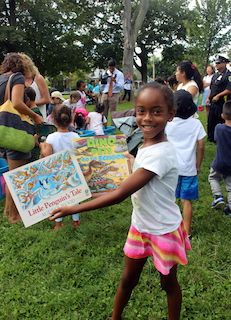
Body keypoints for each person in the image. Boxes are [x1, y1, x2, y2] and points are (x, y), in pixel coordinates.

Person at [49, 82, 191, 320]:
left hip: (164, 229)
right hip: (140, 226)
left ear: (171, 114)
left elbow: (120, 195)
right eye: (141, 111)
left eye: (157, 111)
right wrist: (125, 161)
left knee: (168, 284)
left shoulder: (162, 152)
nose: (147, 118)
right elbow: (137, 172)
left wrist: (73, 208)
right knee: (127, 279)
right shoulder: (147, 144)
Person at [0, 52, 44, 223]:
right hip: (13, 131)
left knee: (10, 174)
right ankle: (14, 216)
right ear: (24, 66)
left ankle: (7, 210)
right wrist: (35, 116)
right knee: (16, 176)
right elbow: (17, 103)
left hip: (2, 131)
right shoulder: (17, 77)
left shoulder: (1, 79)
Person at [165, 90, 206, 238]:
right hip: (189, 169)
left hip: (171, 168)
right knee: (185, 200)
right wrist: (198, 164)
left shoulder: (167, 124)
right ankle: (186, 232)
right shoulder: (196, 124)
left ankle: (168, 227)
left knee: (169, 199)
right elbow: (201, 146)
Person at [39, 104, 80, 230]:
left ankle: (58, 223)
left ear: (53, 120)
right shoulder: (76, 136)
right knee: (75, 196)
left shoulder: (51, 137)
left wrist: (41, 145)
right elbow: (80, 155)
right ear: (71, 120)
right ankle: (75, 221)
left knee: (58, 198)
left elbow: (47, 154)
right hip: (73, 172)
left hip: (57, 174)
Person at [208, 100, 231, 215]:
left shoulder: (219, 128)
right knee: (230, 187)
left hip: (219, 163)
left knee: (213, 178)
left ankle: (218, 196)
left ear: (222, 116)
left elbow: (216, 139)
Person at [206, 56, 231, 143]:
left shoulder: (228, 75)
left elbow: (229, 89)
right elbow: (211, 88)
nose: (216, 65)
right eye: (216, 63)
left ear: (224, 63)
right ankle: (210, 138)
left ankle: (218, 138)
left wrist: (219, 96)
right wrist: (208, 97)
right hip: (213, 101)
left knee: (219, 120)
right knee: (211, 119)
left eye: (218, 63)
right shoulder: (215, 75)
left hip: (222, 102)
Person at [19, 53, 50, 119]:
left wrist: (31, 104)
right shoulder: (17, 80)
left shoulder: (38, 78)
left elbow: (47, 99)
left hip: (38, 115)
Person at [100, 59, 124, 124]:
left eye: (112, 68)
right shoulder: (105, 73)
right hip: (105, 93)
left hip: (114, 93)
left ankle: (113, 128)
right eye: (110, 68)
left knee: (113, 113)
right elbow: (101, 86)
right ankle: (103, 126)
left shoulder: (119, 74)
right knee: (103, 111)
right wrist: (102, 80)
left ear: (115, 66)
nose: (111, 70)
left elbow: (121, 86)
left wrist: (115, 81)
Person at [25, 86, 44, 163]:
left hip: (34, 146)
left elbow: (42, 126)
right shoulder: (31, 112)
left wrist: (36, 137)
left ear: (28, 99)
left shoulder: (35, 112)